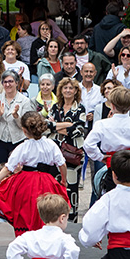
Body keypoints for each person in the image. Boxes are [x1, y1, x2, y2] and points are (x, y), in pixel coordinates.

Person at [48, 77, 86, 220]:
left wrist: (56, 126)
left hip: (72, 154)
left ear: (76, 91)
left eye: (71, 88)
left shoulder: (80, 108)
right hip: (55, 153)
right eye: (65, 88)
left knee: (72, 187)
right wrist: (67, 126)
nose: (68, 90)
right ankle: (54, 217)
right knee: (55, 186)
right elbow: (47, 127)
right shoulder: (55, 107)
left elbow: (78, 130)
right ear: (61, 90)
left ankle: (71, 218)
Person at [0, 70, 32, 173]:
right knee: (0, 170)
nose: (8, 84)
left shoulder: (24, 101)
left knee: (17, 171)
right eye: (5, 82)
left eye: (11, 81)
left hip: (18, 140)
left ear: (16, 83)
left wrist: (16, 116)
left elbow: (25, 126)